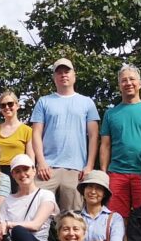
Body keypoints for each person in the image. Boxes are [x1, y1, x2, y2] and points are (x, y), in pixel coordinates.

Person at [31, 58, 100, 210]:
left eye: (67, 71)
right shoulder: (44, 101)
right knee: (36, 210)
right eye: (59, 72)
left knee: (72, 218)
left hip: (76, 169)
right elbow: (36, 133)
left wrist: (89, 165)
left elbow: (94, 136)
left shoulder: (87, 102)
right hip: (47, 169)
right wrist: (41, 162)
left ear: (74, 75)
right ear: (54, 78)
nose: (63, 75)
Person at [99, 64, 141, 218]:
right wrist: (103, 172)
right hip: (117, 173)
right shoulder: (111, 113)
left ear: (140, 83)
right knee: (115, 218)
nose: (128, 83)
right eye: (124, 80)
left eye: (132, 79)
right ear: (119, 86)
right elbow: (105, 144)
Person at [77, 170, 125, 241]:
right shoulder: (75, 217)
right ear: (84, 190)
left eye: (98, 188)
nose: (93, 191)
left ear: (104, 193)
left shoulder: (114, 218)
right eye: (90, 186)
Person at [0, 90, 33, 194]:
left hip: (18, 171)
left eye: (10, 104)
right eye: (3, 105)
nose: (7, 107)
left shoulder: (27, 130)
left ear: (17, 105)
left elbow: (30, 158)